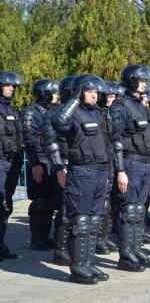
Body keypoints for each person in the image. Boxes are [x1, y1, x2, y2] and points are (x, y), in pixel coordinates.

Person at [51, 74, 110, 284]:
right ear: (79, 92)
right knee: (81, 221)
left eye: (96, 92)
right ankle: (77, 267)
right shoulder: (74, 114)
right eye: (89, 91)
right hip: (82, 173)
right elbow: (58, 121)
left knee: (94, 221)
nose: (94, 95)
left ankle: (88, 262)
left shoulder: (99, 114)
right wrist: (75, 100)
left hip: (100, 171)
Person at [110, 64, 150, 271]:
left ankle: (136, 249)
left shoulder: (141, 105)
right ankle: (126, 255)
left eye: (146, 81)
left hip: (144, 162)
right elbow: (115, 140)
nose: (145, 84)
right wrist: (120, 171)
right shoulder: (121, 107)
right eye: (142, 81)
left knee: (139, 210)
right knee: (128, 209)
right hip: (130, 163)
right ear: (131, 81)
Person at [22, 79, 60, 251]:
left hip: (52, 159)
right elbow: (28, 140)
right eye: (54, 92)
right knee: (40, 202)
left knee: (51, 201)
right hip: (39, 158)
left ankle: (45, 236)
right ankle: (37, 238)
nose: (57, 95)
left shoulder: (54, 112)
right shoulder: (31, 112)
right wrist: (34, 164)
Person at [42, 75, 77, 265]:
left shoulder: (79, 113)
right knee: (64, 208)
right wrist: (58, 167)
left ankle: (74, 248)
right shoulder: (53, 114)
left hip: (80, 165)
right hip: (62, 165)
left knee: (77, 211)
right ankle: (60, 250)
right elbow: (49, 143)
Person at [94, 81, 124, 255]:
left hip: (110, 160)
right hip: (98, 163)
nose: (114, 100)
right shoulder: (98, 114)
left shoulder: (109, 115)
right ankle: (98, 239)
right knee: (101, 202)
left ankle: (104, 237)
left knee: (109, 201)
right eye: (111, 96)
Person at [0, 71, 25, 261]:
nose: (12, 88)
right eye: (8, 85)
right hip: (0, 161)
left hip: (13, 160)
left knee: (6, 205)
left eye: (13, 86)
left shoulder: (13, 110)